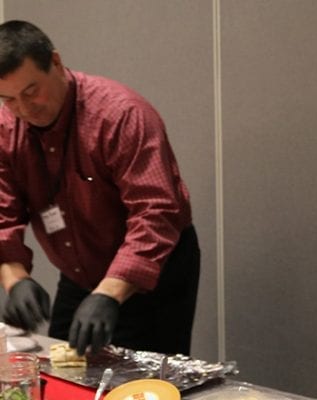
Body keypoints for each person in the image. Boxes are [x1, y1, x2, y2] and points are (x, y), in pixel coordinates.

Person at [0, 20, 200, 356]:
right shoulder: (6, 129)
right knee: (63, 372)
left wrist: (109, 293)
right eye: (8, 98)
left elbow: (156, 213)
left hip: (152, 275)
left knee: (143, 384)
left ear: (57, 63)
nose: (24, 108)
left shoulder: (121, 115)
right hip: (79, 274)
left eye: (32, 91)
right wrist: (15, 278)